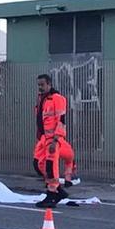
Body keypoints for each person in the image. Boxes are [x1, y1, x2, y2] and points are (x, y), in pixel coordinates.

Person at [33, 73, 74, 207]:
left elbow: (61, 120)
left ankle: (52, 194)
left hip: (53, 139)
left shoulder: (57, 98)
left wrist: (56, 139)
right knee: (38, 164)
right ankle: (58, 191)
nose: (40, 87)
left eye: (42, 85)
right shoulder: (42, 99)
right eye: (39, 85)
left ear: (49, 84)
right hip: (44, 138)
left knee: (51, 165)